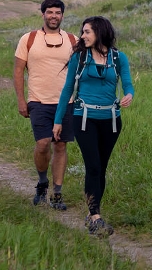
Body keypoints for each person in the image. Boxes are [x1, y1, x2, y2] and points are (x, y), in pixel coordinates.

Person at [53, 16, 134, 237]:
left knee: (102, 168)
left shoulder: (118, 57)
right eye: (83, 32)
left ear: (100, 32)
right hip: (84, 117)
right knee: (93, 166)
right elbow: (67, 90)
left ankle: (92, 214)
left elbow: (127, 83)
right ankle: (95, 216)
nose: (83, 36)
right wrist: (58, 120)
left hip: (112, 119)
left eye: (87, 31)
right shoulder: (79, 57)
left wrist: (129, 95)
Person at [13, 0, 77, 210]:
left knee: (60, 145)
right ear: (43, 14)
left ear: (62, 15)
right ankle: (42, 182)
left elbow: (82, 70)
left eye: (57, 13)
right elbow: (18, 71)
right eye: (50, 12)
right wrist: (21, 100)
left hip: (65, 103)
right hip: (38, 101)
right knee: (42, 144)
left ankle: (57, 193)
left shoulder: (72, 40)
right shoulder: (29, 39)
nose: (53, 16)